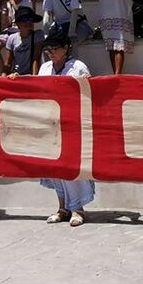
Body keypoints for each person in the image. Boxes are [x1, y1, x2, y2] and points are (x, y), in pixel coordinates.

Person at [37, 34, 94, 227]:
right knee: (55, 167)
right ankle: (62, 207)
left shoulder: (78, 67)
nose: (51, 53)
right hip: (51, 123)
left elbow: (89, 93)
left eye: (54, 49)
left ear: (66, 48)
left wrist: (88, 82)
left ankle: (77, 209)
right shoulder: (44, 68)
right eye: (48, 50)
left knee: (72, 167)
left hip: (73, 124)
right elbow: (36, 90)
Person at [0, 0, 34, 75]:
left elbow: (24, 16)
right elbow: (4, 25)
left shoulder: (27, 2)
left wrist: (13, 3)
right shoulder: (6, 4)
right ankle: (3, 72)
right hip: (8, 31)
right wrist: (4, 15)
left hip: (21, 31)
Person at [3, 6, 42, 77]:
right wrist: (3, 77)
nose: (28, 22)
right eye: (24, 19)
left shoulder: (38, 35)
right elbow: (8, 63)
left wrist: (34, 77)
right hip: (16, 76)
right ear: (17, 23)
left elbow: (36, 58)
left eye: (30, 19)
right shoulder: (11, 38)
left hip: (31, 75)